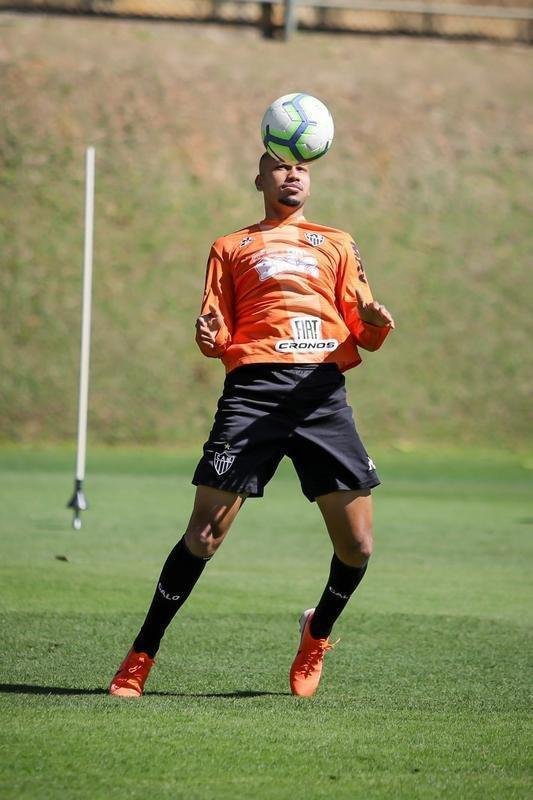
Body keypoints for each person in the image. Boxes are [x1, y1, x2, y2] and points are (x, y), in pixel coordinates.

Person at [109, 152, 395, 699]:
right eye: (280, 167)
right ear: (259, 179)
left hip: (320, 395)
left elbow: (363, 328)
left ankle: (317, 632)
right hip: (254, 395)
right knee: (204, 534)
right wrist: (206, 335)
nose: (293, 175)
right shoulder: (230, 247)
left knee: (358, 546)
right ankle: (141, 653)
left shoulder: (337, 241)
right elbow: (216, 337)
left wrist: (377, 324)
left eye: (302, 169)